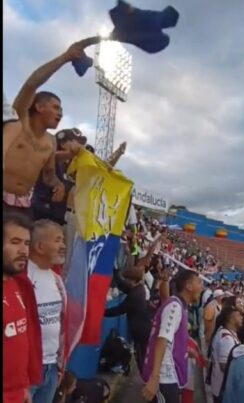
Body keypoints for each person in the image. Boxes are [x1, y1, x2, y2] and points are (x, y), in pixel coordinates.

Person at [4, 39, 96, 217]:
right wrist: (65, 58)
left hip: (23, 206)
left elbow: (48, 175)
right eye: (55, 107)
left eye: (61, 109)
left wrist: (58, 184)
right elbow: (32, 83)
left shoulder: (51, 141)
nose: (60, 113)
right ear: (38, 106)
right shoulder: (19, 120)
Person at [141, 269, 204, 403]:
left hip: (169, 377)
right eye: (199, 282)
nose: (202, 286)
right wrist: (155, 377)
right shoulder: (175, 306)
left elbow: (171, 339)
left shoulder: (179, 305)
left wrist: (184, 349)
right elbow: (162, 340)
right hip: (164, 378)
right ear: (188, 286)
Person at [26, 220, 68, 403]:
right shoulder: (21, 278)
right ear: (40, 246)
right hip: (25, 372)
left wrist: (58, 365)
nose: (63, 245)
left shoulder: (57, 280)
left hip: (50, 368)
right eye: (58, 240)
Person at [3, 212, 43, 403]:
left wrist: (23, 387)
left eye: (26, 244)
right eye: (15, 242)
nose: (23, 250)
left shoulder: (16, 285)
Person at [208, 307, 243, 403]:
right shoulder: (227, 340)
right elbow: (224, 366)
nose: (241, 317)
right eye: (238, 315)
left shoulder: (227, 333)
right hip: (222, 388)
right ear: (231, 319)